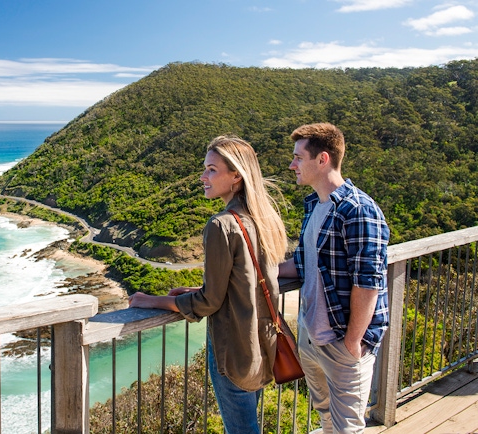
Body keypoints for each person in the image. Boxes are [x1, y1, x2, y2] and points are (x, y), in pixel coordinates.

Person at [129, 135, 288, 433]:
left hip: (234, 352)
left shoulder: (221, 225)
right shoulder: (262, 219)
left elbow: (208, 303)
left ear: (236, 176)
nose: (203, 176)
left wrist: (153, 300)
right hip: (262, 344)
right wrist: (194, 292)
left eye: (212, 169)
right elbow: (244, 283)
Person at [278, 123, 389, 434]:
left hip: (342, 341)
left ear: (322, 159)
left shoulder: (358, 210)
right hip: (311, 338)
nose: (292, 165)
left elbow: (368, 282)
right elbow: (301, 266)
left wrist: (353, 342)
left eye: (298, 157)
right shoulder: (315, 205)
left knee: (347, 429)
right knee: (325, 416)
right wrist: (255, 269)